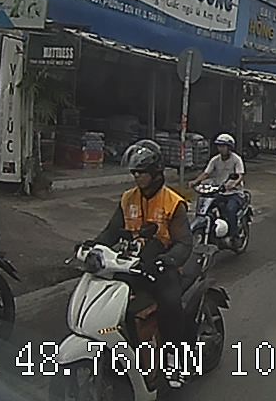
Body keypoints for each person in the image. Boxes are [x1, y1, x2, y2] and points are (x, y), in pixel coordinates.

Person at [94, 141, 193, 387]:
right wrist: (91, 246)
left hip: (162, 268)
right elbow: (111, 232)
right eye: (134, 172)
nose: (136, 177)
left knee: (170, 304)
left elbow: (184, 243)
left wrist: (167, 260)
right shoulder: (128, 198)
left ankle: (173, 360)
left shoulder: (173, 203)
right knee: (107, 295)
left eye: (141, 172)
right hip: (132, 265)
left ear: (156, 172)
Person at [192, 134, 246, 238]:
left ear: (229, 147)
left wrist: (233, 184)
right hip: (219, 191)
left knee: (230, 209)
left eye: (223, 146)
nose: (221, 148)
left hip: (234, 193)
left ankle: (233, 235)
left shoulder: (236, 159)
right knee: (207, 206)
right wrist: (195, 181)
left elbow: (240, 175)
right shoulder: (215, 160)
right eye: (219, 146)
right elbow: (206, 173)